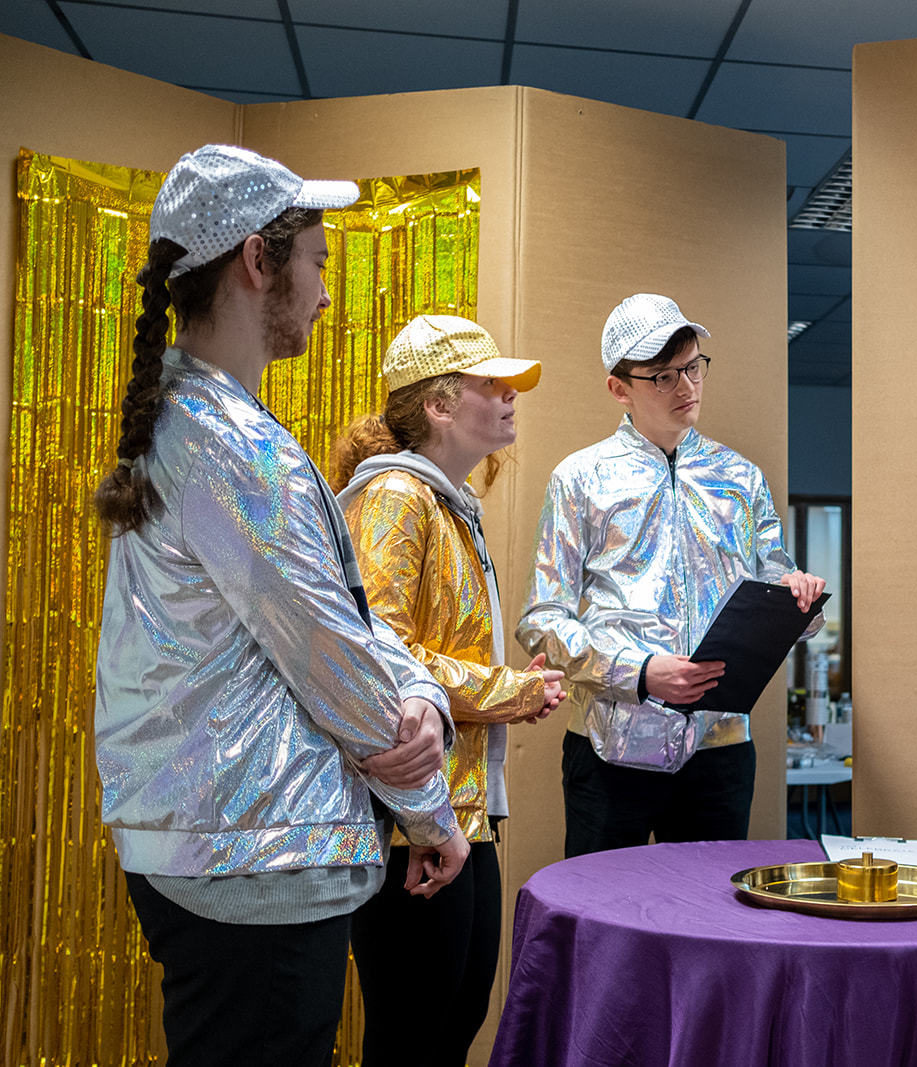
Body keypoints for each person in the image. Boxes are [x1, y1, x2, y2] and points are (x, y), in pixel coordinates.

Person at [92, 144, 468, 1067]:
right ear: (260, 261)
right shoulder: (226, 443)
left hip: (234, 842)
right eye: (318, 264)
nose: (327, 293)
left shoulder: (207, 421)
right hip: (253, 851)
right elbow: (329, 652)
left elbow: (340, 616)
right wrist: (430, 809)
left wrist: (417, 689)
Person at [331, 314, 565, 1065]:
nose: (508, 396)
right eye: (489, 383)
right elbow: (379, 652)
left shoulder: (446, 503)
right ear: (437, 403)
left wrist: (505, 691)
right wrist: (509, 691)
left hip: (462, 810)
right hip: (410, 816)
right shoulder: (399, 495)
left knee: (449, 1027)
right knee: (413, 1039)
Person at [518, 293, 826, 857]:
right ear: (620, 388)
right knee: (609, 920)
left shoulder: (740, 478)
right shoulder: (581, 478)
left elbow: (775, 586)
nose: (687, 387)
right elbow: (541, 622)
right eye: (663, 376)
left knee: (711, 924)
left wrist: (799, 601)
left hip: (721, 747)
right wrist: (638, 673)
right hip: (612, 749)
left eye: (692, 366)